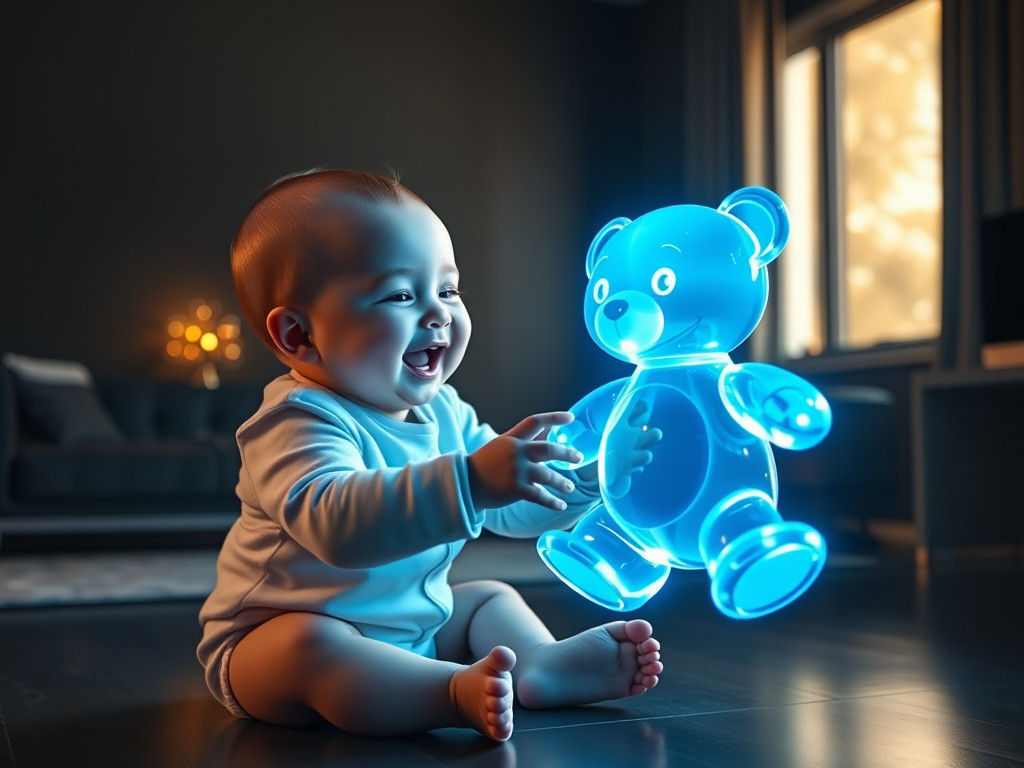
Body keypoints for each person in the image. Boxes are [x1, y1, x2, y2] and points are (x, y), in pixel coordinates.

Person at [196, 169, 663, 742]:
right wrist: (471, 483)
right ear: (299, 334)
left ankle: (538, 666)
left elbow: (510, 509)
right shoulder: (296, 421)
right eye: (399, 294)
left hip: (412, 629)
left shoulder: (446, 411)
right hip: (267, 652)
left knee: (490, 596)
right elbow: (338, 528)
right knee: (310, 645)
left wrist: (587, 482)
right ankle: (446, 692)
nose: (438, 313)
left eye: (447, 290)